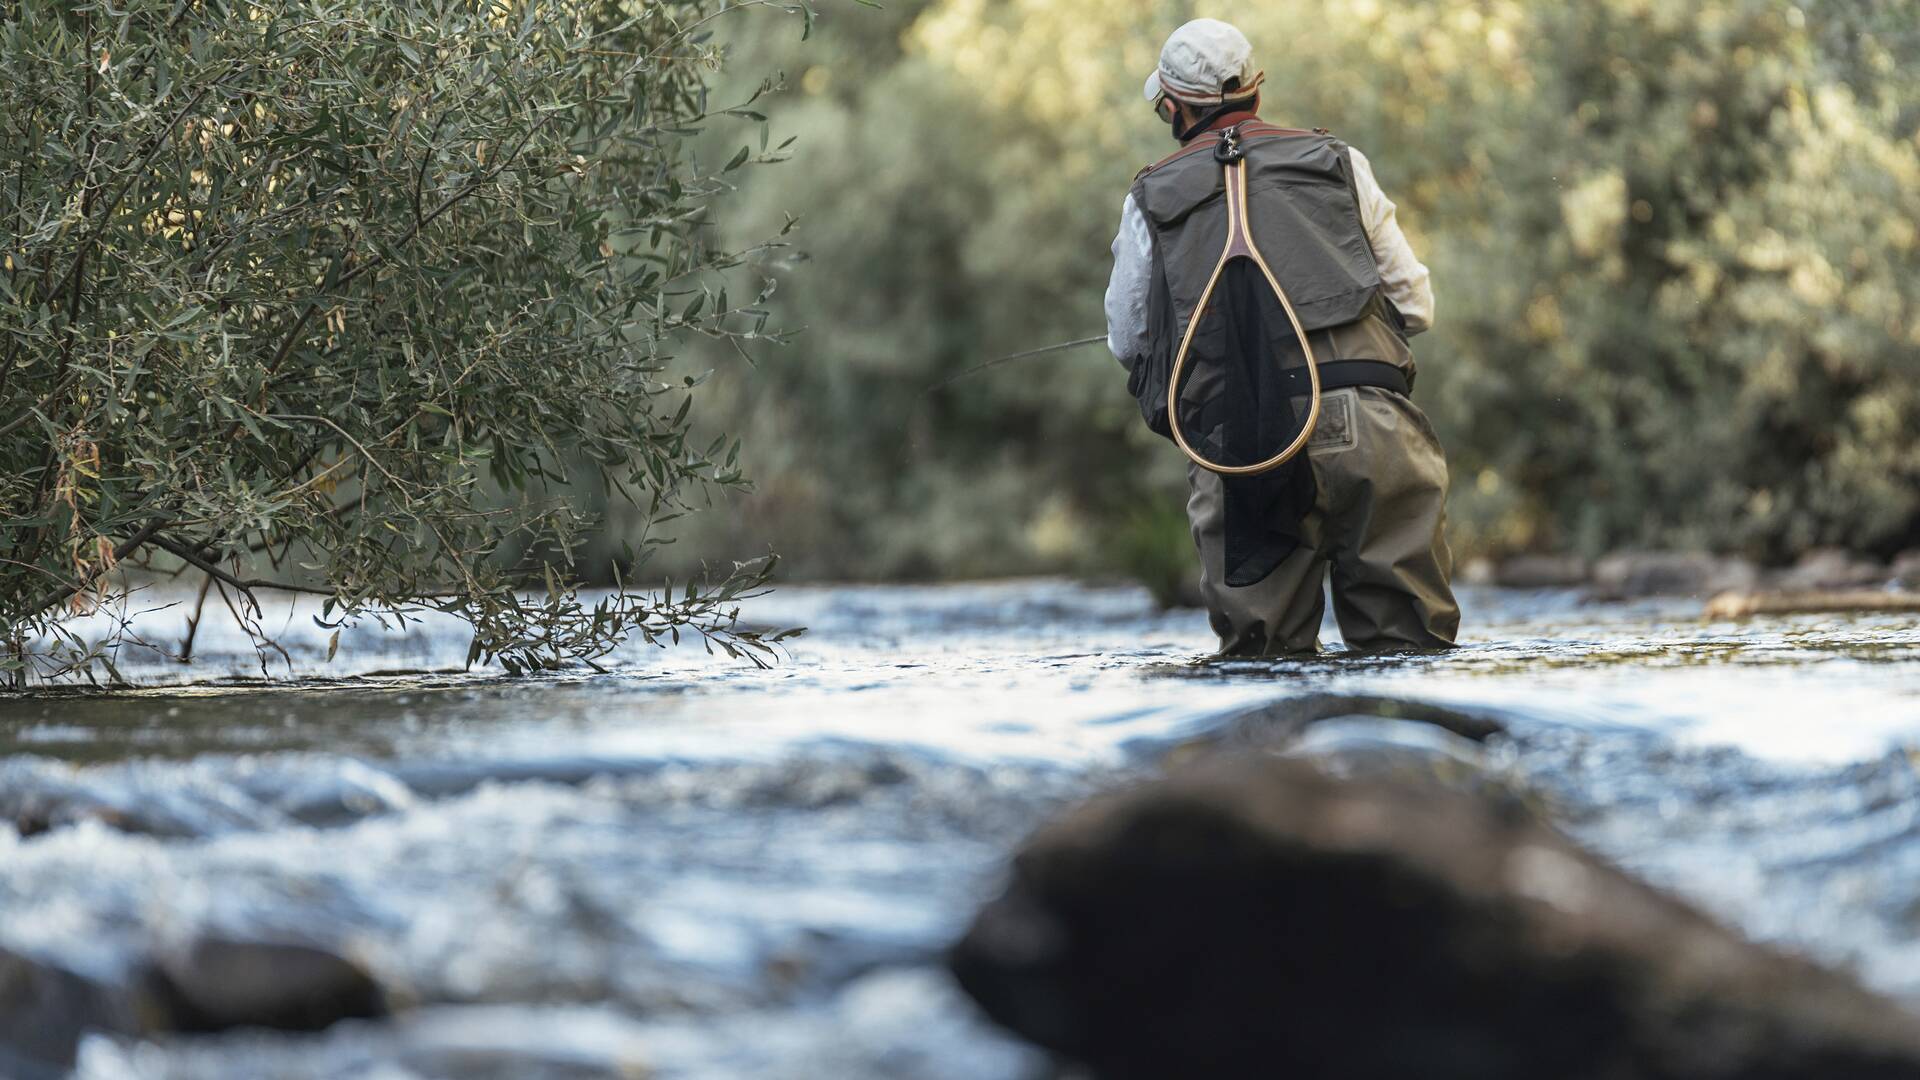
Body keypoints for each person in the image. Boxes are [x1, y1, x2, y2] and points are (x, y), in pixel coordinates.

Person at [1106, 18, 1459, 656]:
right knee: (1410, 653)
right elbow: (1416, 304)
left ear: (1174, 107)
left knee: (1263, 664)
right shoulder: (1339, 162)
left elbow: (1127, 341)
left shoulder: (1149, 198)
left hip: (1242, 442)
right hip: (1372, 424)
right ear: (1256, 92)